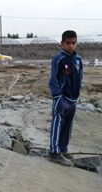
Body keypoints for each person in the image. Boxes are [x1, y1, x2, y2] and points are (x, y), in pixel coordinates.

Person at [47, 30, 83, 167]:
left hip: (73, 98)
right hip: (61, 98)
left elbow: (80, 77)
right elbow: (53, 79)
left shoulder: (78, 59)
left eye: (73, 43)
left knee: (68, 125)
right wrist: (57, 96)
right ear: (62, 43)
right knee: (58, 123)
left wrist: (77, 93)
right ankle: (54, 153)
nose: (71, 46)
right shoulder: (59, 59)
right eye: (68, 43)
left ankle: (63, 149)